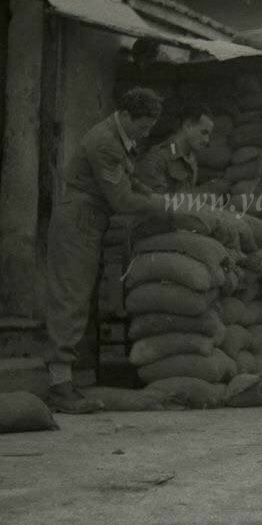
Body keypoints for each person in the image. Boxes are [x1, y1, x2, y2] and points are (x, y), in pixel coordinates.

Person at [44, 87, 170, 414]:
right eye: (142, 126)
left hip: (92, 221)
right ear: (126, 115)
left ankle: (69, 380)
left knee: (81, 298)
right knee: (70, 297)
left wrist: (159, 197)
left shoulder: (119, 137)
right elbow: (122, 200)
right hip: (79, 221)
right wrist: (160, 206)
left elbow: (130, 185)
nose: (145, 133)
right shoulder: (104, 142)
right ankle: (58, 386)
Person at [133, 100, 214, 195]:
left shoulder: (191, 158)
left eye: (209, 135)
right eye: (204, 132)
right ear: (187, 126)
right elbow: (156, 205)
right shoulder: (157, 158)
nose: (207, 140)